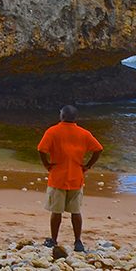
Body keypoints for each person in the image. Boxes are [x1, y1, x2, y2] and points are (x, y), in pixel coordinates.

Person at [37, 104, 102, 253]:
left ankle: (54, 239)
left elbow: (41, 149)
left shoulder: (53, 131)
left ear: (62, 116)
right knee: (76, 212)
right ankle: (78, 241)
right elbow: (98, 149)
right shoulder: (83, 133)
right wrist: (88, 166)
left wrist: (47, 164)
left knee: (56, 212)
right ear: (75, 118)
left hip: (58, 177)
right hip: (76, 176)